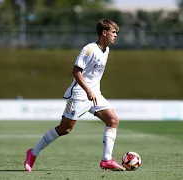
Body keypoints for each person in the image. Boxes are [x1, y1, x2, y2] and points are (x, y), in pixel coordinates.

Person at [24, 19, 126, 172]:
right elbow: (76, 71)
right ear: (104, 33)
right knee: (65, 129)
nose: (116, 35)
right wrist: (88, 91)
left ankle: (107, 160)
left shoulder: (107, 50)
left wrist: (93, 91)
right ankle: (33, 153)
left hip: (95, 94)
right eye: (113, 32)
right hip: (80, 94)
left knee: (112, 120)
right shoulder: (89, 49)